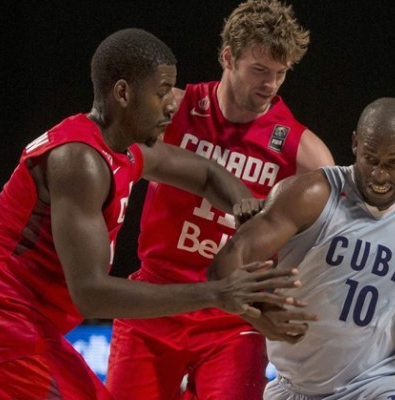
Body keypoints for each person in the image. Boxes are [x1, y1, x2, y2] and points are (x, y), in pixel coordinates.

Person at [0, 28, 304, 400]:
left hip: (26, 328)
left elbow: (207, 174)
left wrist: (246, 207)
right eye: (161, 92)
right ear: (124, 93)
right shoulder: (79, 161)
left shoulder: (126, 150)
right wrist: (217, 293)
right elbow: (91, 294)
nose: (172, 104)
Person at [207, 97, 395, 400]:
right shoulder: (311, 195)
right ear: (355, 144)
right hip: (295, 386)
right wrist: (259, 314)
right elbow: (226, 262)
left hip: (384, 379)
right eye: (370, 159)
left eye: (393, 163)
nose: (379, 175)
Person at [106, 1, 335, 399]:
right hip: (156, 297)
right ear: (228, 57)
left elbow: (339, 239)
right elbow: (102, 149)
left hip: (235, 313)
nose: (270, 85)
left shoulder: (303, 150)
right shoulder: (173, 108)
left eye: (280, 74)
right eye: (259, 70)